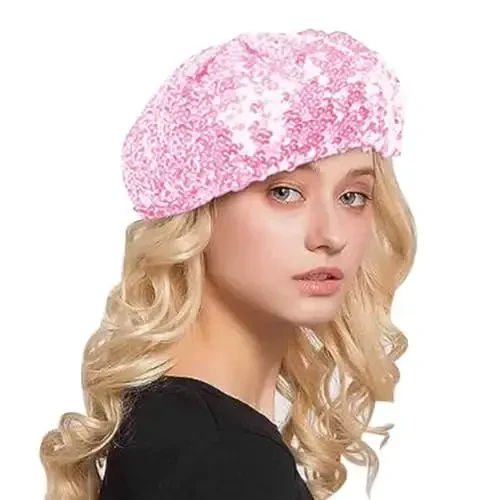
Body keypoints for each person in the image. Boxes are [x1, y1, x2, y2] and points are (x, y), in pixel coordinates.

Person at [40, 29, 417, 499]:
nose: (331, 235)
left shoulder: (176, 428)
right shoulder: (222, 459)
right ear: (197, 206)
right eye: (284, 192)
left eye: (353, 196)